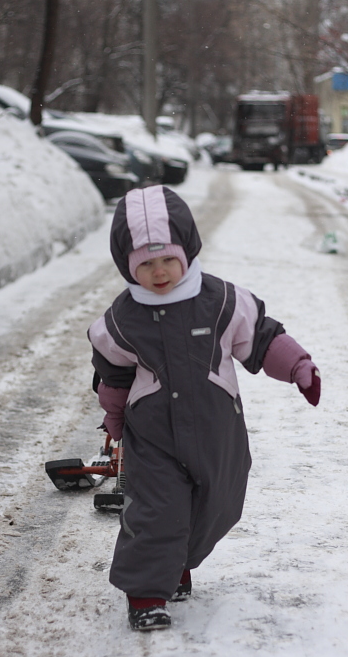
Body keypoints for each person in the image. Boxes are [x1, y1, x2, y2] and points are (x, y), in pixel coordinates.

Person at [88, 185, 321, 631]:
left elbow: (262, 338)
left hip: (218, 431)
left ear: (187, 253)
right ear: (128, 266)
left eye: (168, 260)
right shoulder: (121, 320)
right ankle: (145, 595)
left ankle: (177, 565)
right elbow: (114, 376)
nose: (159, 273)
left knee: (219, 505)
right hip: (154, 435)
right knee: (158, 511)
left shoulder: (220, 301)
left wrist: (298, 367)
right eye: (146, 264)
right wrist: (114, 417)